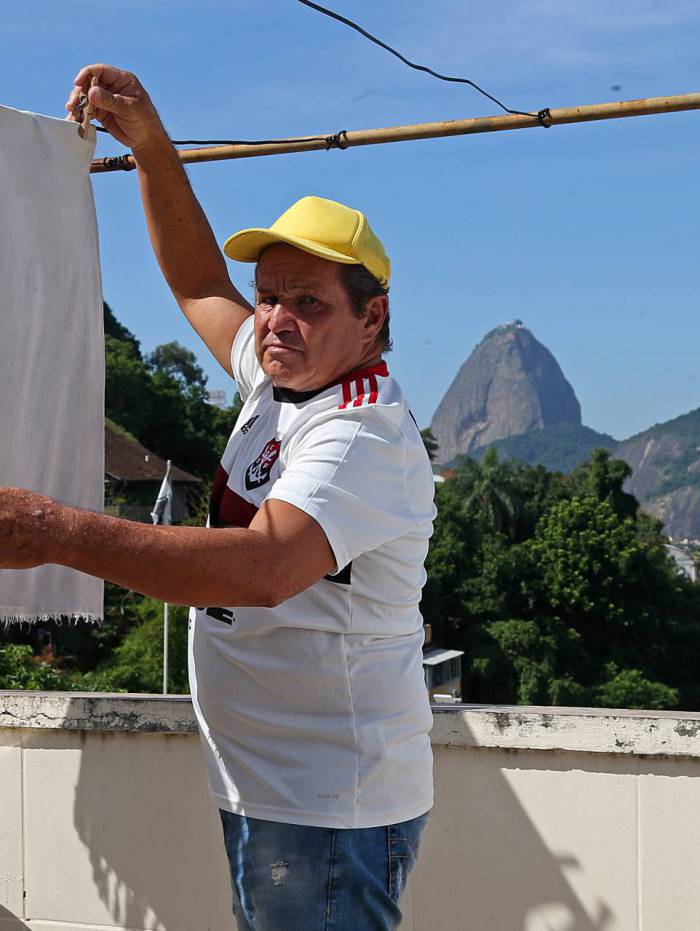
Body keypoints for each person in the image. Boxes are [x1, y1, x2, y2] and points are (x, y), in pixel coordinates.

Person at [0, 65, 436, 930]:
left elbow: (267, 565)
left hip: (325, 807)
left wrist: (55, 530)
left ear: (372, 318)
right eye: (270, 296)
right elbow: (200, 282)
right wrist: (155, 148)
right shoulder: (282, 382)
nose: (274, 318)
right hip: (273, 784)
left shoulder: (363, 431)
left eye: (306, 302)